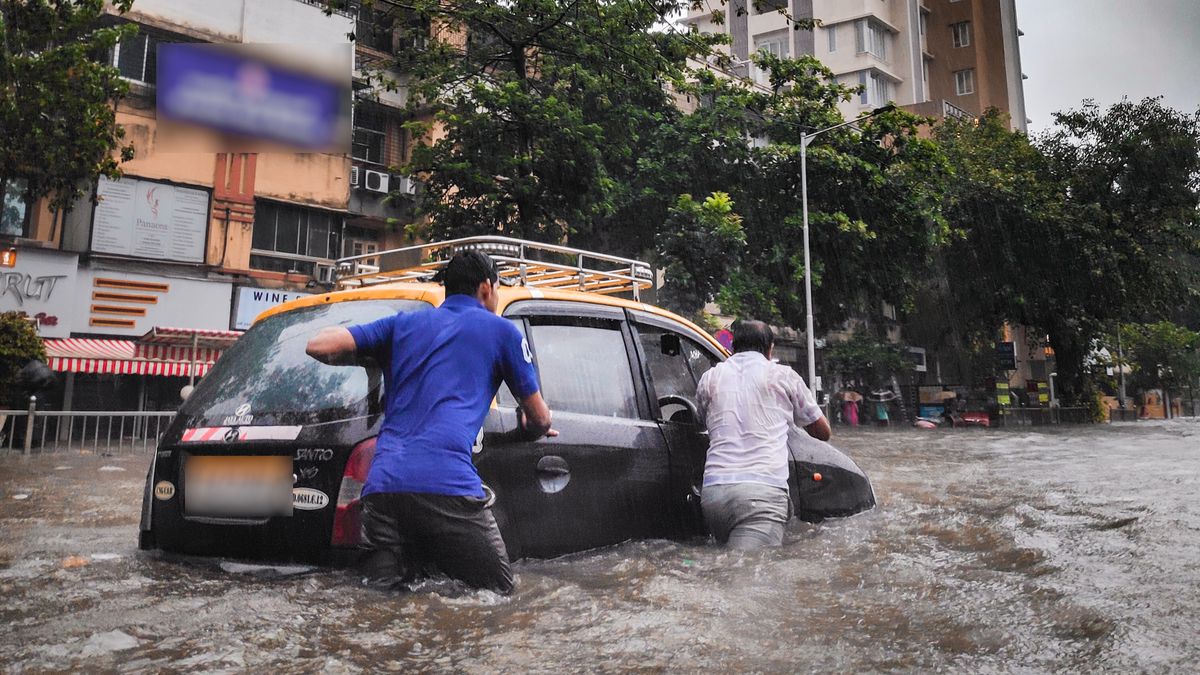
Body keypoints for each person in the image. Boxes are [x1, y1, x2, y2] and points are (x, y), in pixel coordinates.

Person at [305, 250, 556, 594]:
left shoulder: (401, 325)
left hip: (383, 489)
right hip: (448, 486)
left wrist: (371, 356)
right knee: (499, 597)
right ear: (486, 288)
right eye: (497, 289)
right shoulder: (502, 333)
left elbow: (318, 345)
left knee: (377, 602)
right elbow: (539, 417)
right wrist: (533, 428)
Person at [696, 320, 831, 549]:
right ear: (770, 349)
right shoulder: (782, 376)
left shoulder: (710, 378)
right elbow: (822, 432)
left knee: (726, 568)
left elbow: (701, 420)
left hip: (713, 495)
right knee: (749, 576)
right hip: (760, 497)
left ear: (733, 347)